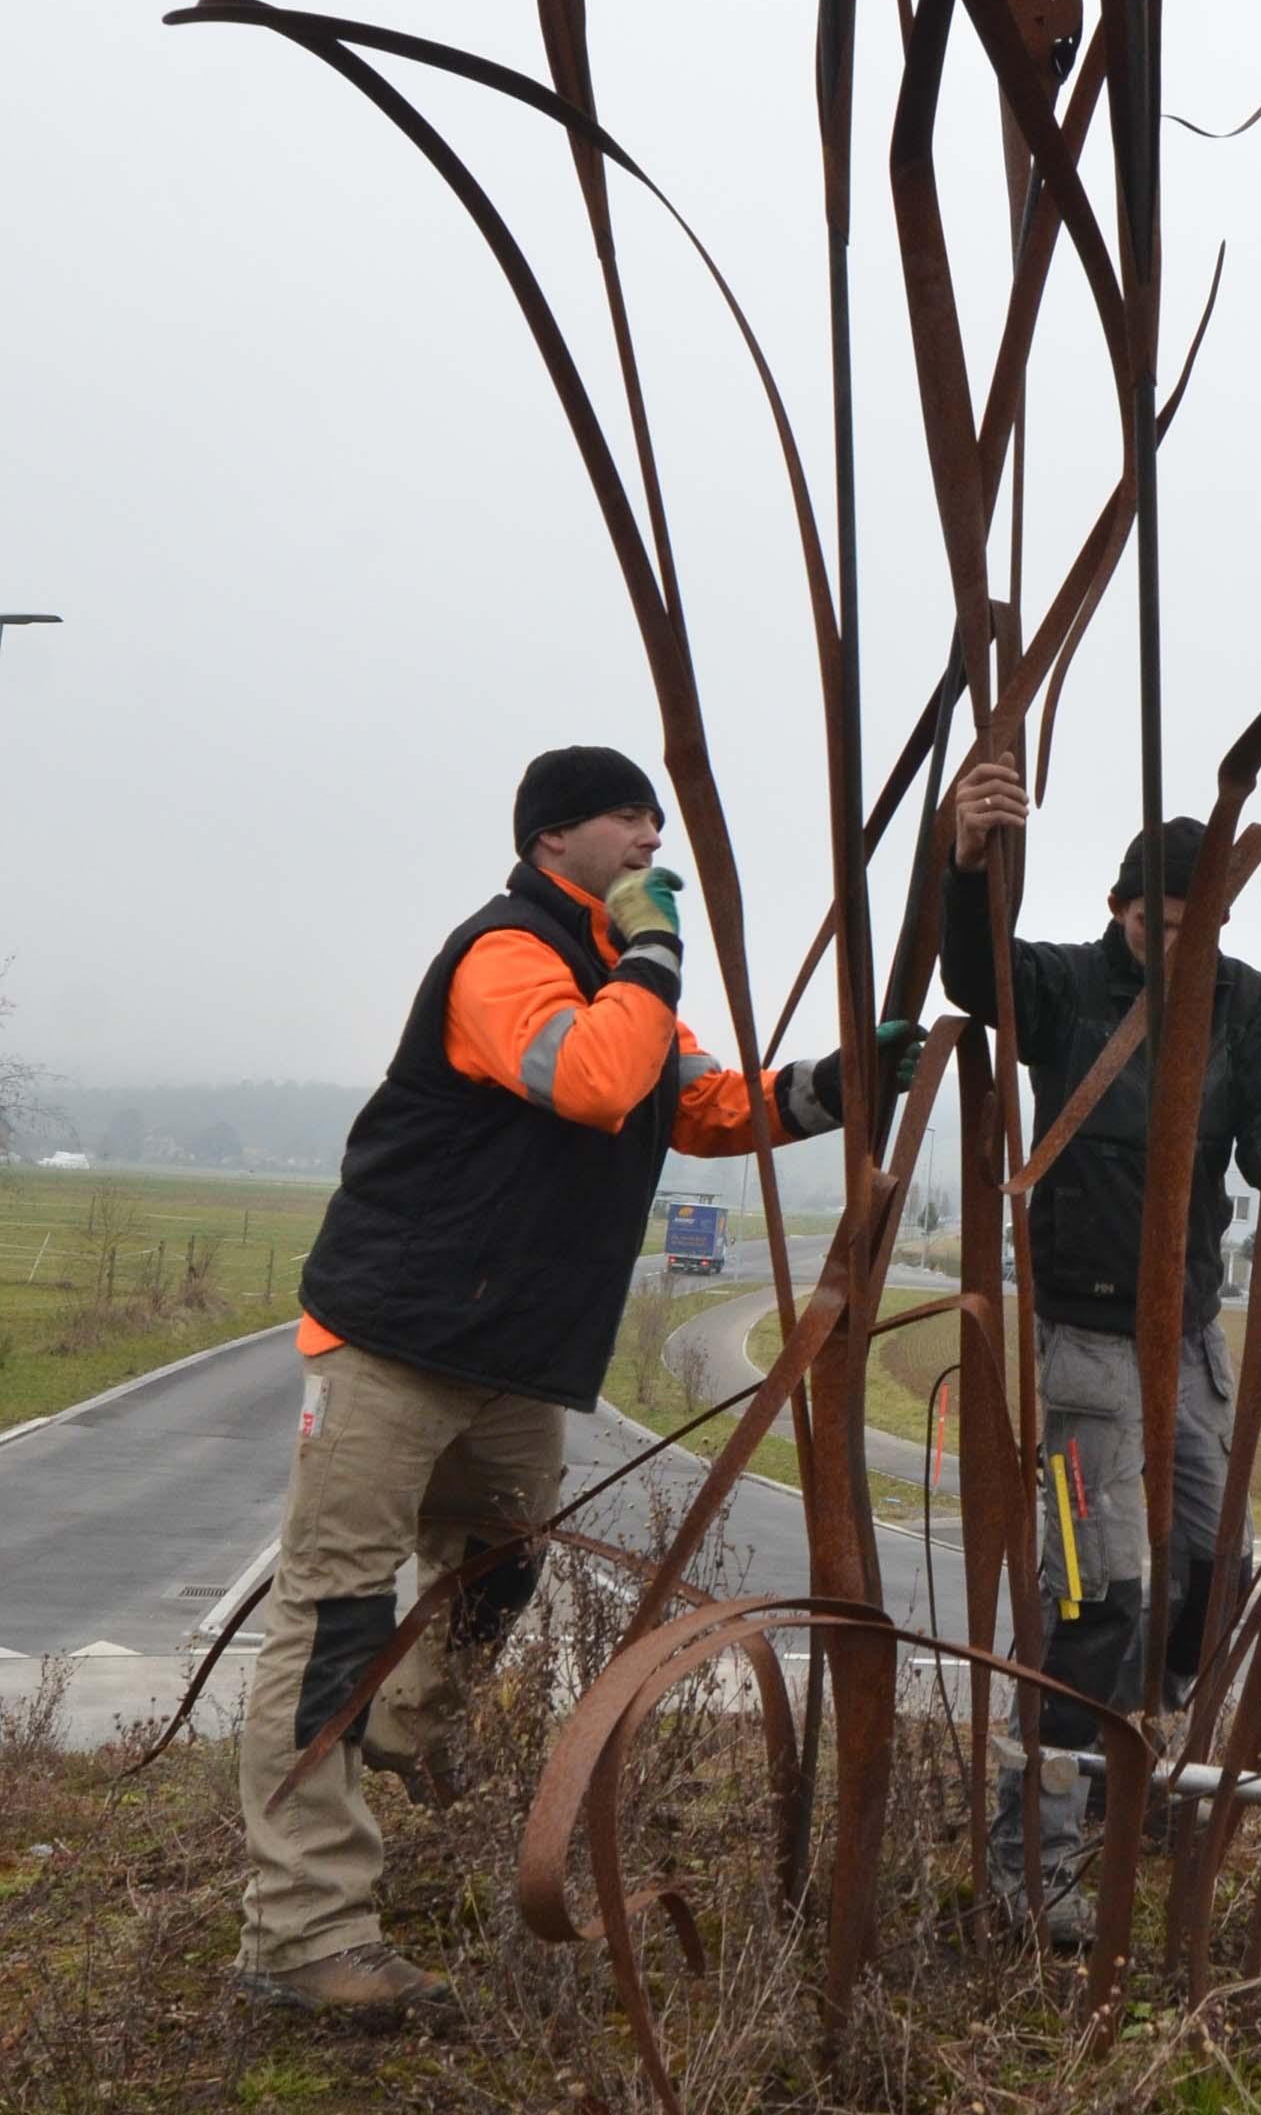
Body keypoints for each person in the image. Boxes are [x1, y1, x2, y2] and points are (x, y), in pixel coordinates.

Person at [236, 744, 889, 2021]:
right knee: (334, 1616)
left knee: (502, 1566)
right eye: (623, 817)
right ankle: (304, 1934)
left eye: (656, 816)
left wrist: (845, 1083)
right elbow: (593, 1081)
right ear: (552, 843)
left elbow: (702, 1106)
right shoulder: (508, 956)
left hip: (515, 1357)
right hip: (395, 1337)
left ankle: (397, 1737)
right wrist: (652, 958)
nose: (653, 834)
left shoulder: (621, 982)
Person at [942, 761, 1261, 1940]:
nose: (1178, 947)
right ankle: (1038, 1857)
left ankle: (1147, 1767)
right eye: (1157, 923)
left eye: (1199, 928)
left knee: (1210, 1575)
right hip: (1085, 1344)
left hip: (1191, 1341)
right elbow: (976, 973)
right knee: (1095, 1591)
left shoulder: (1245, 999)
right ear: (1123, 908)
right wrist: (969, 861)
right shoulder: (1068, 987)